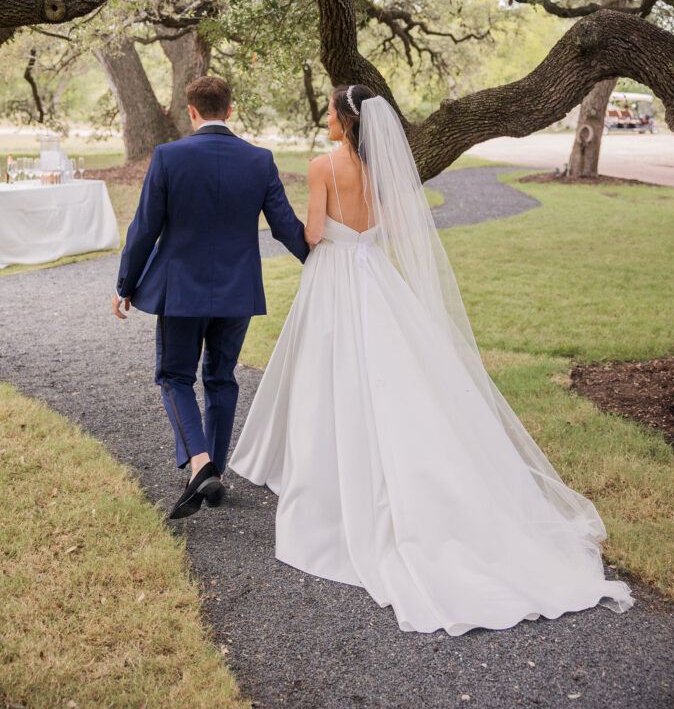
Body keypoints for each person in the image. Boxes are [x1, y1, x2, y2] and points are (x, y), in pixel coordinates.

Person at [229, 85, 635, 635]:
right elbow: (394, 227)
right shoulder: (380, 171)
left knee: (332, 376)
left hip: (336, 276)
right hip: (375, 275)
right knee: (395, 376)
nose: (324, 118)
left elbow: (316, 233)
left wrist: (317, 233)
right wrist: (363, 234)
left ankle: (328, 476)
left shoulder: (324, 166)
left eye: (329, 111)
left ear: (345, 122)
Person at [112, 75, 308, 520]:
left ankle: (200, 464)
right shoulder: (259, 160)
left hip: (181, 292)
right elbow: (285, 225)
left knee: (175, 377)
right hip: (238, 292)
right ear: (230, 110)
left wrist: (125, 283)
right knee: (221, 378)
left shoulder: (168, 156)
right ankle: (212, 468)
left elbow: (145, 227)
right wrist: (318, 260)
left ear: (192, 111)